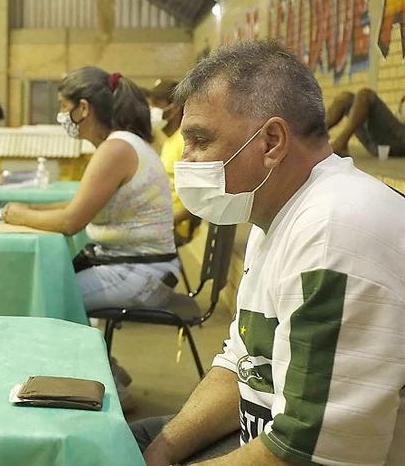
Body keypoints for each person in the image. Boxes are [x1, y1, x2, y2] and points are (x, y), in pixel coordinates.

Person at [133, 40, 405, 466]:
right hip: (262, 437)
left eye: (200, 141)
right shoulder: (275, 208)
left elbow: (308, 453)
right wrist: (161, 452)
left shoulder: (336, 233)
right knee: (113, 441)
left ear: (272, 141)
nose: (186, 161)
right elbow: (243, 364)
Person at [2, 69, 179, 312]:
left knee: (39, 298)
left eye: (64, 107)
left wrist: (16, 215)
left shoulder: (116, 149)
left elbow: (70, 222)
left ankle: (68, 350)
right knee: (44, 286)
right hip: (138, 268)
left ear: (83, 108)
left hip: (140, 274)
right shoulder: (121, 143)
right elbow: (80, 203)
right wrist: (31, 209)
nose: (61, 115)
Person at [149, 79, 197, 242]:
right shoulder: (170, 141)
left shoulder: (184, 143)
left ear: (174, 108)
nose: (152, 111)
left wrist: (163, 224)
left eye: (156, 104)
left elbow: (197, 201)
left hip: (176, 228)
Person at [324, 87, 405, 157]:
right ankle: (313, 136)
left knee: (365, 94)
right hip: (382, 144)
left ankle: (340, 144)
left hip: (400, 141)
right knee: (345, 98)